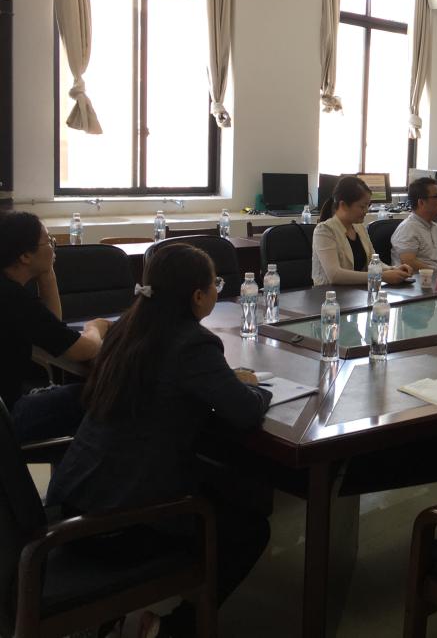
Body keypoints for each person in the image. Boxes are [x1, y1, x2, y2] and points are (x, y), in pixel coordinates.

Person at [47, 242, 272, 636]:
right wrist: (251, 387)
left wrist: (221, 382)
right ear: (198, 296)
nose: (217, 290)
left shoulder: (127, 328)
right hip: (116, 525)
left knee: (225, 487)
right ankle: (171, 631)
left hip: (75, 501)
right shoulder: (193, 343)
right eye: (215, 285)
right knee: (250, 528)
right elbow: (245, 411)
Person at [0, 210, 110, 440]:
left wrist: (47, 274)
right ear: (25, 256)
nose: (53, 247)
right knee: (104, 393)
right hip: (9, 417)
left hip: (10, 401)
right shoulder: (14, 298)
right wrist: (96, 327)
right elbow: (82, 350)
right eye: (49, 241)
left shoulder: (9, 290)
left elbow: (53, 332)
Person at [312, 174, 412, 285]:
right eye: (362, 206)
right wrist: (381, 276)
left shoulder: (359, 228)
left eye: (367, 206)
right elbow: (335, 275)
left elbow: (373, 262)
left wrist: (393, 269)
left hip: (356, 292)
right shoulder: (324, 230)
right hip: (329, 293)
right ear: (343, 205)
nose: (366, 211)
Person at [391, 176, 437, 272]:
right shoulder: (408, 228)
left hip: (435, 277)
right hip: (416, 279)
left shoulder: (434, 227)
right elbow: (408, 262)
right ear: (421, 202)